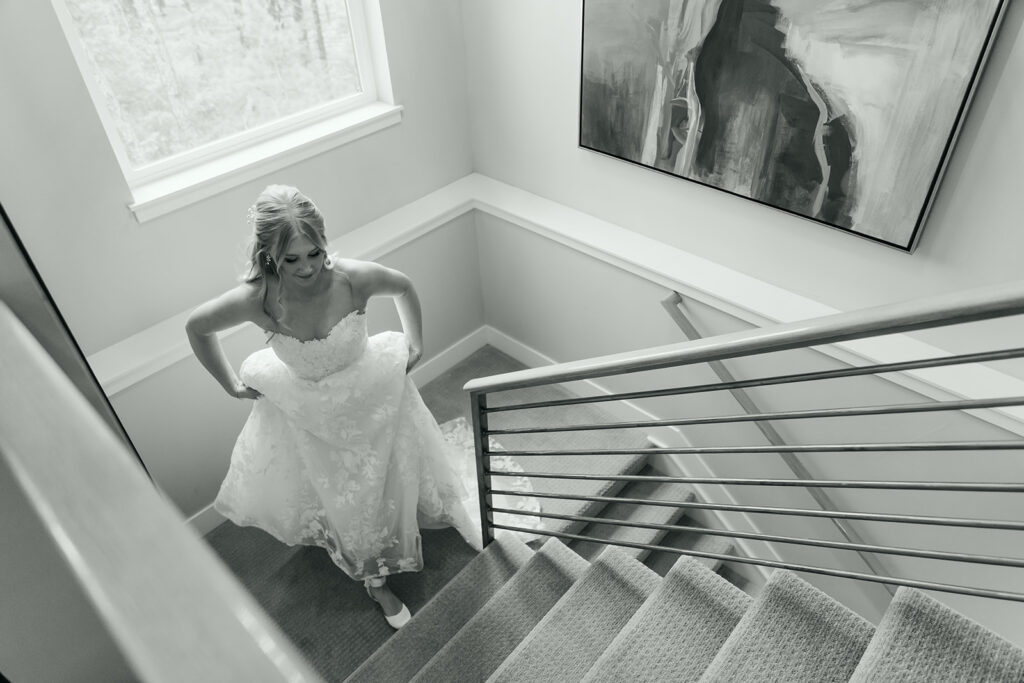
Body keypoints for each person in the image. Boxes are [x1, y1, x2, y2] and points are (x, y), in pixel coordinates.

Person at [185, 185, 512, 629]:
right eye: (291, 260)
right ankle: (376, 581)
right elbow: (197, 327)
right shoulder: (257, 298)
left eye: (315, 253)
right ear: (269, 257)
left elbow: (403, 286)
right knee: (348, 496)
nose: (307, 267)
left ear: (324, 242)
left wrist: (416, 342)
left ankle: (415, 517)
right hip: (310, 410)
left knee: (393, 471)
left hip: (371, 393)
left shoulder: (353, 278)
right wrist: (230, 385)